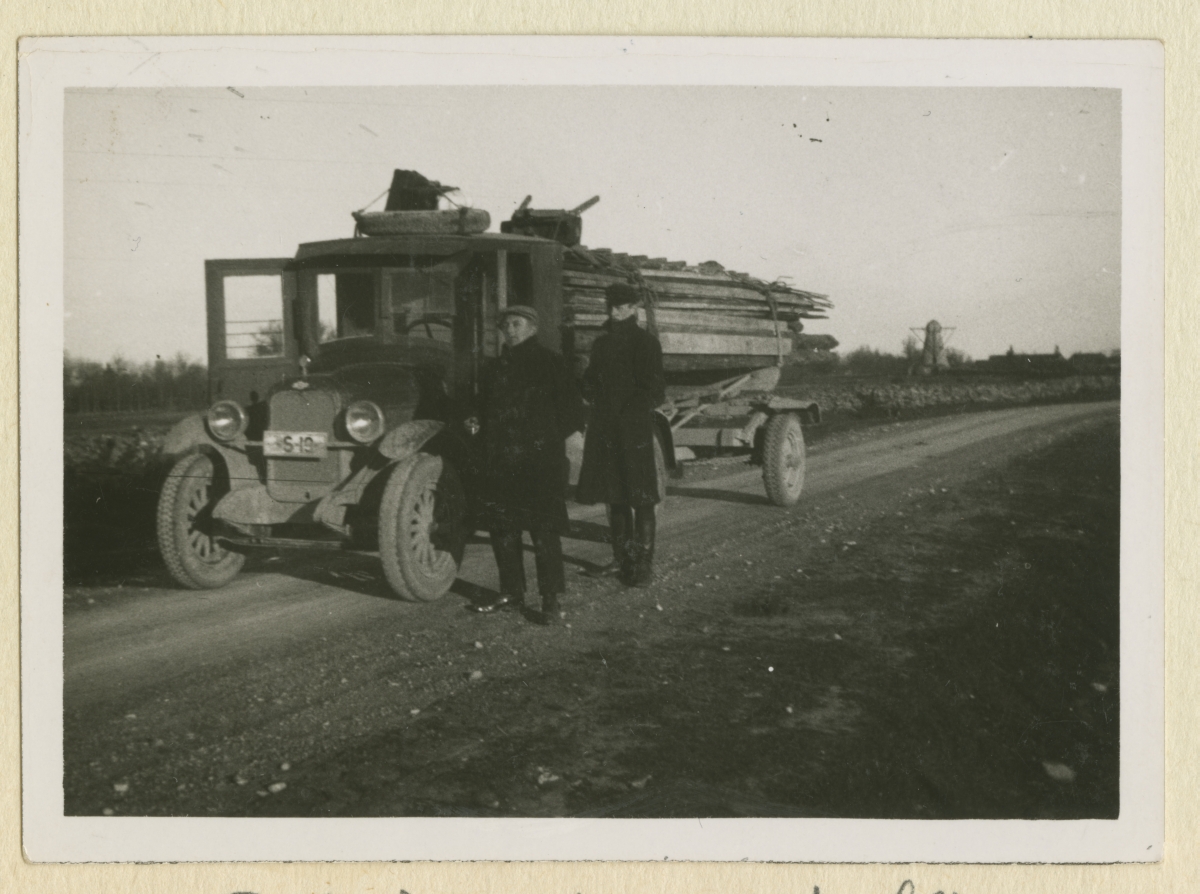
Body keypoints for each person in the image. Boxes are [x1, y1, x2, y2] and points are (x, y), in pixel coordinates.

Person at [472, 305, 585, 624]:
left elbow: (571, 409)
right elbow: (482, 410)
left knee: (543, 531)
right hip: (502, 459)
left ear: (532, 328)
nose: (510, 329)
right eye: (505, 325)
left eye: (517, 324)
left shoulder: (551, 363)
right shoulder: (494, 368)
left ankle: (550, 601)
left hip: (539, 460)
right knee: (503, 529)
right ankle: (511, 592)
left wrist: (568, 444)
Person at [575, 282, 666, 587]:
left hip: (633, 430)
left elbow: (654, 390)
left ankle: (642, 567)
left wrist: (627, 416)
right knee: (613, 498)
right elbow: (591, 378)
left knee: (641, 498)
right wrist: (586, 387)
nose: (614, 312)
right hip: (605, 430)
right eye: (610, 307)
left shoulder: (646, 343)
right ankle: (621, 560)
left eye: (620, 307)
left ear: (633, 309)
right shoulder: (602, 344)